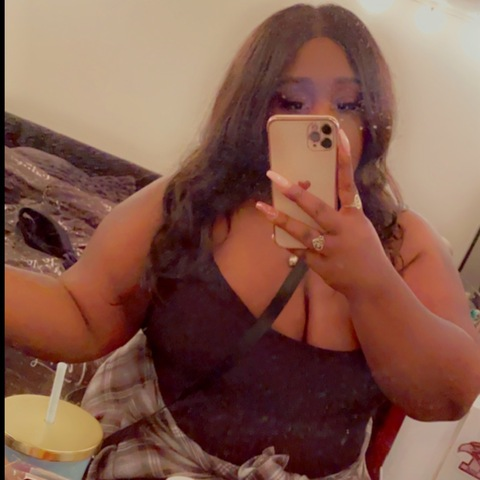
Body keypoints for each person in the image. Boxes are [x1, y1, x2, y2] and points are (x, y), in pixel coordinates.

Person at [5, 3, 480, 479]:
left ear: (374, 115)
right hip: (159, 465)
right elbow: (83, 313)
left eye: (349, 104)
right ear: (252, 108)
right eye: (292, 102)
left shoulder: (404, 244)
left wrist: (373, 282)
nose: (326, 122)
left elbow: (449, 397)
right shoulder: (192, 204)